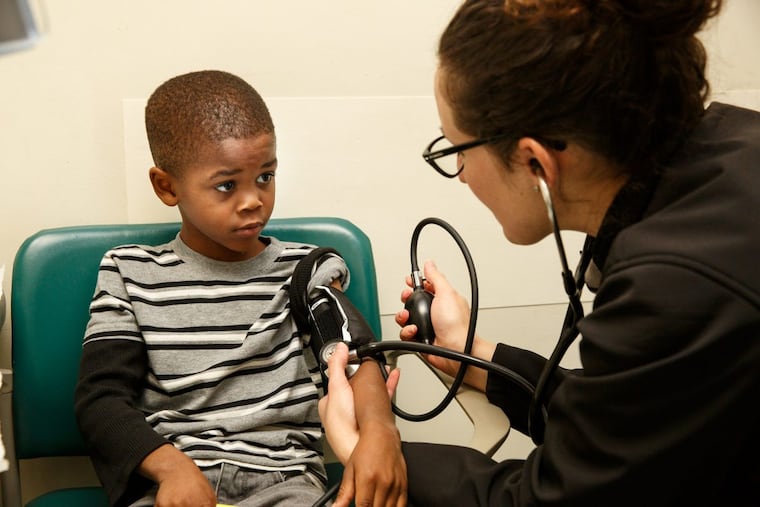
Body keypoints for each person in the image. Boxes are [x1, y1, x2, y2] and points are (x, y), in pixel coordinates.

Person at [319, 1, 760, 505]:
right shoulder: (730, 149)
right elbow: (632, 421)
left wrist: (374, 456)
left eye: (457, 149)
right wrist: (473, 352)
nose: (460, 173)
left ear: (534, 161)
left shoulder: (678, 284)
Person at [74, 70, 406, 507]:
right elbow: (101, 402)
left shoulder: (306, 271)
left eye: (265, 177)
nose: (253, 200)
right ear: (166, 186)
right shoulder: (128, 273)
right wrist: (171, 469)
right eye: (227, 185)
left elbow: (357, 361)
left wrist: (381, 433)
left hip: (286, 484)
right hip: (177, 482)